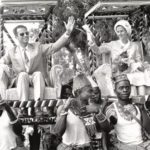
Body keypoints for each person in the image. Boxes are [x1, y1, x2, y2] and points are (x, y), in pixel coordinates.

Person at [0, 16, 75, 103]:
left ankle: (38, 104)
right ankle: (23, 105)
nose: (25, 35)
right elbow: (1, 62)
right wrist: (9, 71)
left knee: (38, 74)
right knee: (23, 75)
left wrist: (67, 33)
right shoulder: (11, 52)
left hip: (38, 79)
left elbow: (54, 47)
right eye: (22, 34)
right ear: (16, 37)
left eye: (27, 33)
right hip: (21, 80)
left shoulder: (37, 47)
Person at [84, 20, 148, 96]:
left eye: (122, 31)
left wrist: (137, 64)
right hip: (119, 72)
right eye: (118, 31)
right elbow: (98, 51)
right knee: (130, 81)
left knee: (142, 78)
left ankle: (144, 102)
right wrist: (93, 44)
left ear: (127, 31)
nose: (120, 33)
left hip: (133, 70)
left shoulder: (134, 46)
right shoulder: (113, 44)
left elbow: (138, 60)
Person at [53, 73, 109, 150]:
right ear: (78, 92)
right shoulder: (64, 108)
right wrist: (65, 111)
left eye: (93, 91)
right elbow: (58, 133)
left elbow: (105, 129)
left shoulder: (92, 109)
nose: (93, 94)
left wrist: (98, 112)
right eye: (89, 91)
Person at [105, 74, 150, 150]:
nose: (125, 90)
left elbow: (148, 128)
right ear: (115, 91)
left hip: (144, 145)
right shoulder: (112, 109)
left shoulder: (137, 105)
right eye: (121, 88)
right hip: (125, 147)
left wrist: (142, 109)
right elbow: (106, 130)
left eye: (127, 87)